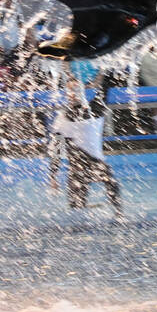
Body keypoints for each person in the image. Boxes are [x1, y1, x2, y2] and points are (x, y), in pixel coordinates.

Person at [49, 77, 122, 217]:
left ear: (83, 91)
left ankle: (119, 214)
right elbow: (57, 150)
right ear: (66, 94)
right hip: (76, 169)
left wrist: (97, 79)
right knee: (76, 212)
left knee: (114, 197)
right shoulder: (61, 119)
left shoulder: (95, 108)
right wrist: (53, 176)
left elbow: (107, 85)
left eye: (76, 89)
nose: (73, 93)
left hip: (97, 164)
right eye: (70, 90)